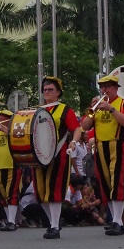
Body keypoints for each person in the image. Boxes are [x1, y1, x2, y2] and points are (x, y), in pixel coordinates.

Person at [79, 74, 124, 236]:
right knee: (105, 184)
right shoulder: (97, 105)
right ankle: (114, 220)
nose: (105, 90)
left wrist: (111, 109)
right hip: (100, 147)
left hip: (118, 145)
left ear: (116, 88)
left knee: (117, 181)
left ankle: (118, 221)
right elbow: (85, 126)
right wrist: (93, 109)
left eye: (108, 87)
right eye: (102, 87)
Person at [34, 76, 81, 239]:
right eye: (45, 89)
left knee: (55, 189)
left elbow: (76, 128)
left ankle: (54, 225)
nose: (46, 92)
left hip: (58, 153)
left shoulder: (64, 110)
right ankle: (53, 221)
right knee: (40, 192)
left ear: (58, 92)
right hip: (39, 156)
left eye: (50, 89)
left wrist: (73, 142)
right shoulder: (38, 109)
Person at [0, 109, 21, 231]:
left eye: (2, 119)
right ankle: (10, 220)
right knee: (2, 194)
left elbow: (20, 140)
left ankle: (12, 221)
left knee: (11, 193)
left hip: (12, 165)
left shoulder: (15, 129)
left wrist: (9, 132)